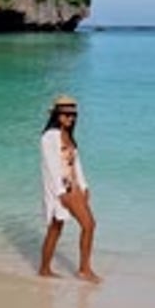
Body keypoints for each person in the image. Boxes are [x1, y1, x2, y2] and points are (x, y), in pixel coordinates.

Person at [39, 95, 101, 283]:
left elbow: (75, 163)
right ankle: (84, 269)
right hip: (63, 189)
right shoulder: (49, 137)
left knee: (57, 228)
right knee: (88, 225)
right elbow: (51, 166)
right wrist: (60, 192)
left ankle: (45, 269)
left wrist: (84, 185)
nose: (70, 118)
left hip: (73, 187)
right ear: (57, 115)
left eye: (73, 115)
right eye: (66, 114)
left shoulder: (67, 135)